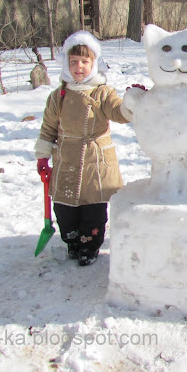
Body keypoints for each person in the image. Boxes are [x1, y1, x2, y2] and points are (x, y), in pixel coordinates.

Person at [34, 31, 134, 266]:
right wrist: (42, 155)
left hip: (96, 162)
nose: (79, 67)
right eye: (74, 62)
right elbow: (48, 127)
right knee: (65, 208)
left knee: (93, 210)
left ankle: (89, 246)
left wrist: (132, 104)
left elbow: (119, 112)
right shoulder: (58, 96)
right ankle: (72, 241)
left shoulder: (102, 92)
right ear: (67, 64)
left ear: (94, 63)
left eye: (85, 62)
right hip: (66, 159)